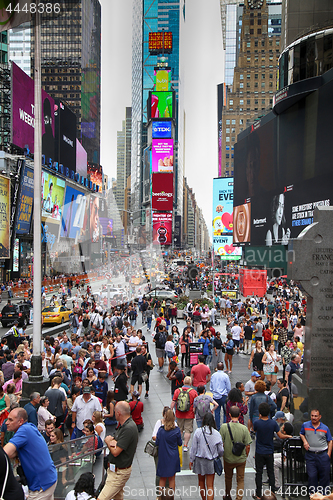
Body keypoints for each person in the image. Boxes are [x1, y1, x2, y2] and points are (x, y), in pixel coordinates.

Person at [4, 407, 58, 499]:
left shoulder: (23, 431)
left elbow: (5, 453)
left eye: (10, 420)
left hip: (41, 485)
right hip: (49, 479)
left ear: (20, 421)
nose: (6, 423)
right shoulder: (30, 427)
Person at [97, 401, 138, 500]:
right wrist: (113, 443)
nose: (114, 414)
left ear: (119, 413)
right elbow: (115, 442)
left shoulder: (128, 428)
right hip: (116, 470)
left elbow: (115, 452)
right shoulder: (125, 426)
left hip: (118, 473)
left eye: (115, 411)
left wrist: (107, 441)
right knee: (118, 497)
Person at [252, 402, 292, 500]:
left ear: (260, 413)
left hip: (259, 451)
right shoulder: (273, 423)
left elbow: (254, 430)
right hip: (269, 451)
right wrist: (288, 436)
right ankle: (272, 493)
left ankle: (258, 494)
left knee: (259, 473)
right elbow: (280, 435)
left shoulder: (257, 423)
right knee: (271, 472)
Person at [220, 406, 252, 500]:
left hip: (228, 458)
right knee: (240, 479)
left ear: (229, 415)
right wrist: (245, 455)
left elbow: (221, 443)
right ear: (239, 415)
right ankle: (239, 497)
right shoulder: (244, 428)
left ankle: (227, 495)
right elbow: (248, 445)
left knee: (228, 478)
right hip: (241, 459)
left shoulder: (224, 427)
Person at [189, 412, 224, 500]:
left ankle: (204, 498)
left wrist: (191, 460)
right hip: (211, 461)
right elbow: (221, 450)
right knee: (210, 486)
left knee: (201, 482)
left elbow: (194, 448)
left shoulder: (198, 432)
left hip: (199, 460)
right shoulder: (216, 433)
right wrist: (218, 455)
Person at [300, 409, 332, 494]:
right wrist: (305, 441)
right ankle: (313, 495)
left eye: (316, 416)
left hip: (323, 454)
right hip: (310, 455)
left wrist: (328, 454)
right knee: (312, 476)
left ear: (320, 417)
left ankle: (323, 496)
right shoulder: (305, 425)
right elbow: (301, 433)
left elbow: (330, 440)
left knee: (324, 476)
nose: (313, 418)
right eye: (312, 416)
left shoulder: (325, 428)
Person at [156, 408, 182, 495]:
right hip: (173, 457)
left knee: (162, 478)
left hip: (163, 456)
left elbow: (157, 442)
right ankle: (171, 497)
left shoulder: (161, 430)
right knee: (172, 478)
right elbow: (180, 443)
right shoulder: (177, 430)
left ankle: (161, 497)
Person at [171, 376, 198, 452]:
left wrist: (171, 411)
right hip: (189, 414)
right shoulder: (193, 392)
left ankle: (179, 443)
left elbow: (173, 402)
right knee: (187, 430)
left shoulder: (177, 391)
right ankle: (185, 445)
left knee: (179, 429)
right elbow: (196, 403)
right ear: (190, 383)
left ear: (183, 382)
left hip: (179, 413)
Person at [210, 362, 231, 431]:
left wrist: (213, 392)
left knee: (217, 413)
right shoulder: (225, 376)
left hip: (215, 396)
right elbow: (228, 387)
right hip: (224, 396)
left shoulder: (213, 375)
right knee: (225, 412)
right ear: (223, 368)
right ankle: (224, 428)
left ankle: (217, 428)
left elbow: (211, 386)